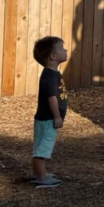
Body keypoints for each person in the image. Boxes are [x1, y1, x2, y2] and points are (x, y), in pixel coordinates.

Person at [31, 35, 68, 188]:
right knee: (41, 150)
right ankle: (41, 178)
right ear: (53, 56)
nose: (65, 50)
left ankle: (41, 174)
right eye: (62, 48)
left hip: (47, 119)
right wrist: (57, 116)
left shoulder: (52, 74)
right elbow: (51, 98)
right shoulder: (49, 76)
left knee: (43, 147)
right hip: (47, 119)